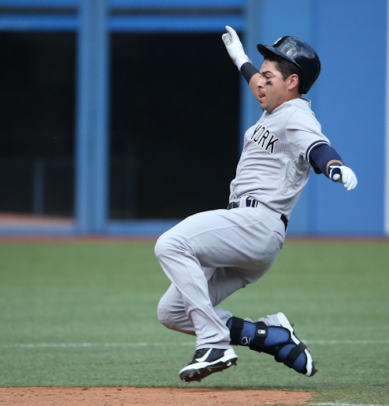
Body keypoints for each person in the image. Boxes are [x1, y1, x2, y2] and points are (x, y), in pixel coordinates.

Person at [154, 26, 358, 383]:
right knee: (172, 312)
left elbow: (317, 147)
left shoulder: (297, 116)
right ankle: (270, 337)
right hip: (251, 233)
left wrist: (334, 166)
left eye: (269, 76)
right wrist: (241, 59)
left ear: (292, 82)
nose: (259, 84)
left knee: (171, 243)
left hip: (257, 223)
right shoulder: (277, 107)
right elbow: (255, 82)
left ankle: (214, 343)